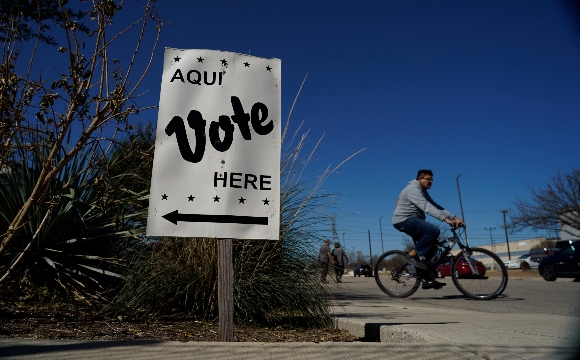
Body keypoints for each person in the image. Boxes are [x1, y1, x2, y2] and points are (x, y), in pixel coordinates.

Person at [392, 169, 466, 289]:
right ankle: (411, 256)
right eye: (428, 179)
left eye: (432, 179)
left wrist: (455, 217)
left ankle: (427, 278)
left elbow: (435, 206)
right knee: (434, 231)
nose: (431, 181)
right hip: (403, 220)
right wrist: (446, 220)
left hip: (414, 220)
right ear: (420, 179)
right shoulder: (413, 189)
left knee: (433, 248)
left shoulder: (423, 191)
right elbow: (426, 207)